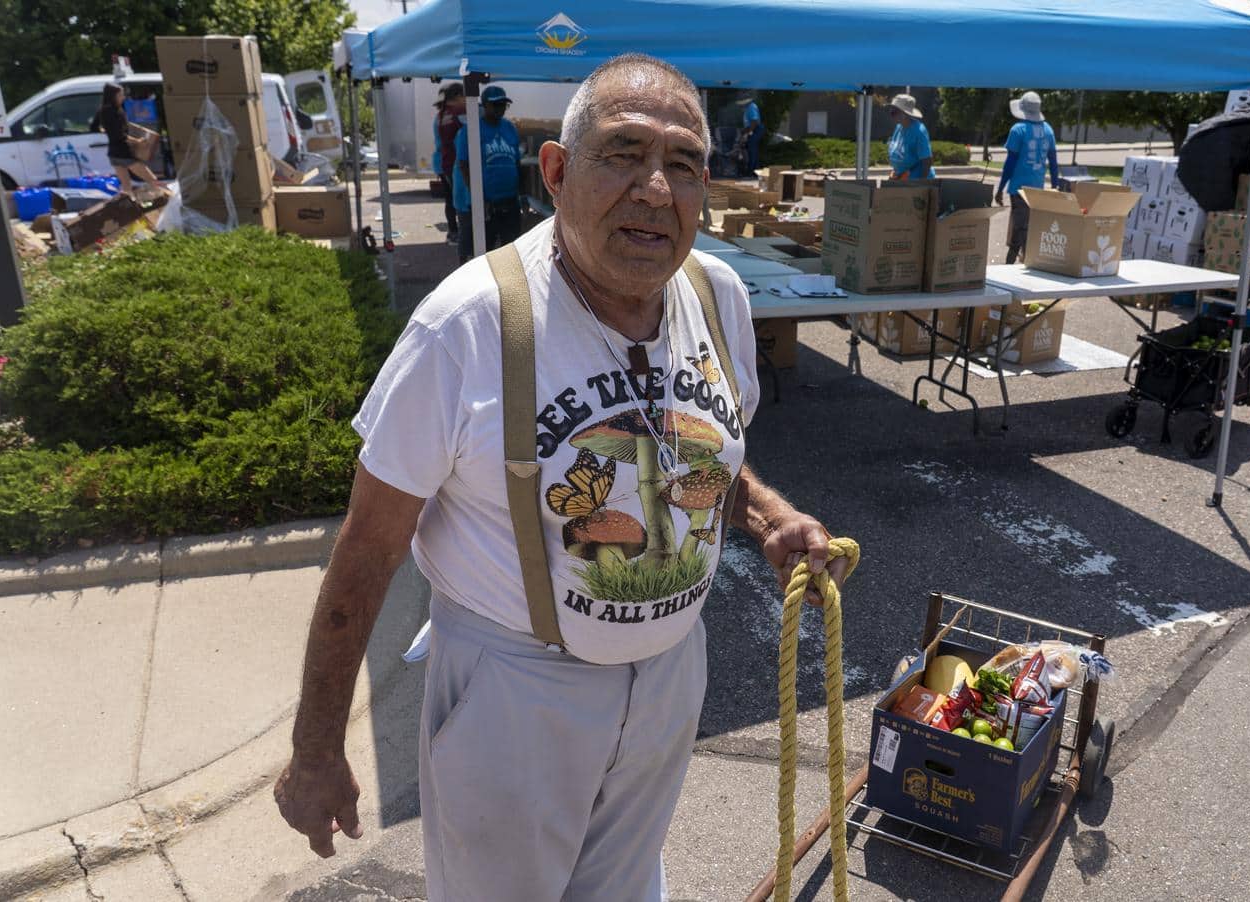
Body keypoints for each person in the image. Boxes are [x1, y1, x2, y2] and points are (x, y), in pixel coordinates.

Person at [274, 53, 844, 901]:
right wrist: (316, 751)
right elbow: (366, 552)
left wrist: (767, 516)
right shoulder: (468, 325)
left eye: (684, 164)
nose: (656, 188)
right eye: (623, 153)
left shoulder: (715, 293)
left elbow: (700, 444)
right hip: (515, 689)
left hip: (670, 673)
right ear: (555, 171)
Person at [453, 84, 523, 262]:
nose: (500, 108)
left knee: (512, 251)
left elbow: (516, 161)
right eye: (496, 104)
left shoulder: (510, 128)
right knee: (483, 253)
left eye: (503, 104)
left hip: (509, 201)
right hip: (485, 205)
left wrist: (521, 193)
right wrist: (478, 198)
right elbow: (464, 165)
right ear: (484, 105)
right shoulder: (470, 131)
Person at [994, 91, 1063, 264]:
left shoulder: (1018, 130)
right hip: (1036, 190)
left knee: (1021, 229)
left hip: (1018, 189)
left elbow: (1010, 163)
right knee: (1024, 228)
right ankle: (1015, 263)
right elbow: (1054, 163)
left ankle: (1018, 265)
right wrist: (1055, 186)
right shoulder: (1048, 130)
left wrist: (1000, 188)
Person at [89, 83, 159, 192]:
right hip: (125, 154)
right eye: (120, 95)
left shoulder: (102, 110)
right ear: (113, 96)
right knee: (153, 180)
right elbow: (121, 136)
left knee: (126, 187)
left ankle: (130, 207)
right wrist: (138, 141)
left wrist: (107, 131)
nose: (123, 97)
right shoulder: (117, 111)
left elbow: (93, 127)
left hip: (113, 154)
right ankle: (165, 204)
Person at [432, 84, 465, 245]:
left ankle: (453, 231)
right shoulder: (456, 115)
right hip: (452, 163)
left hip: (443, 162)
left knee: (450, 198)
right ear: (458, 97)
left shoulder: (440, 117)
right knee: (457, 200)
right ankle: (457, 232)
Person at [885, 93, 935, 181]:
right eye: (891, 110)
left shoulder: (919, 131)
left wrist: (920, 185)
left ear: (905, 114)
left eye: (894, 112)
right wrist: (894, 173)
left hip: (914, 182)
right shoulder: (899, 127)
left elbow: (927, 161)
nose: (891, 114)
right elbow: (899, 156)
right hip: (901, 180)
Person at [736, 93, 763, 177]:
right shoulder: (748, 107)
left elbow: (754, 121)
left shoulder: (751, 107)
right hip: (752, 130)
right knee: (752, 150)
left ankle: (751, 171)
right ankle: (755, 171)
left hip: (755, 130)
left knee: (752, 151)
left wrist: (748, 133)